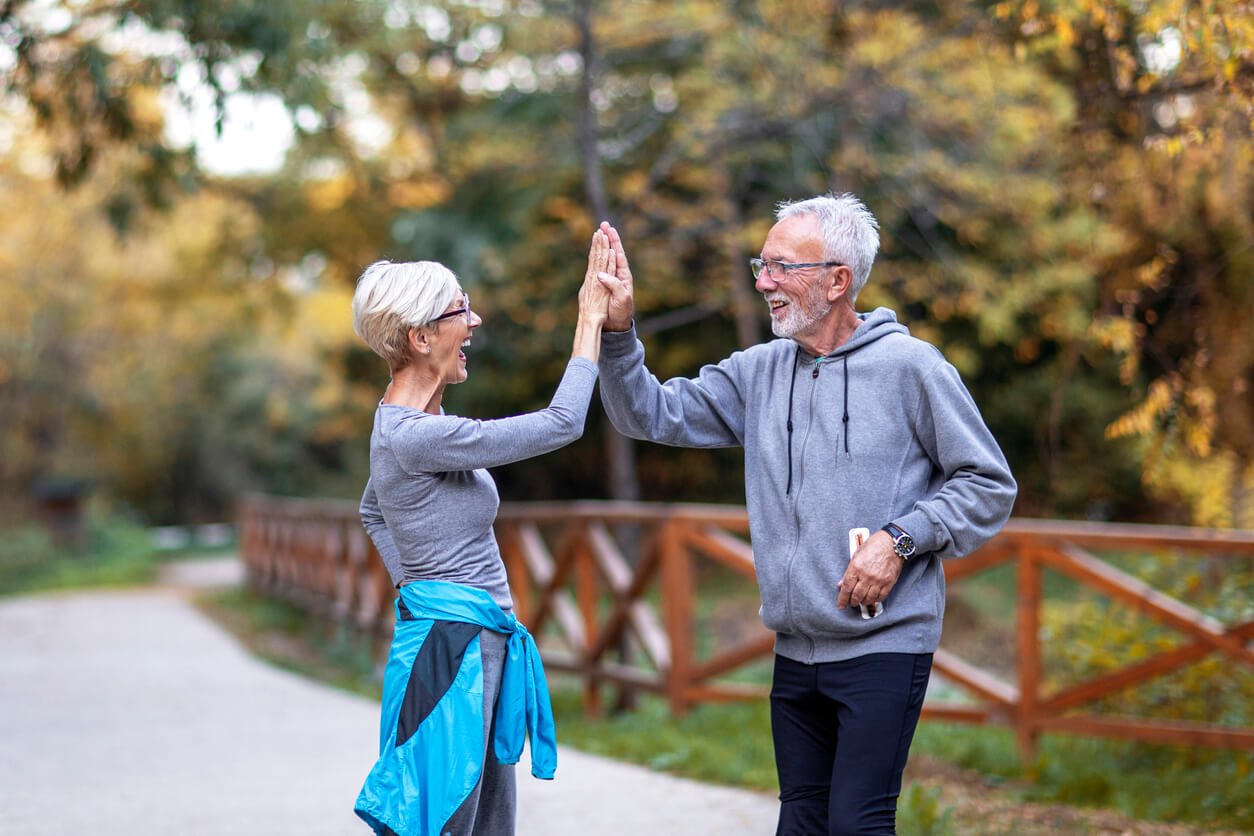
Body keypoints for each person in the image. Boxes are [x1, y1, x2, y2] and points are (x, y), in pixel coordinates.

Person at [593, 194, 1017, 835]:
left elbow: (987, 482)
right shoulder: (757, 371)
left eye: (781, 267)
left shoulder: (912, 368)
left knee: (856, 825)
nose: (763, 281)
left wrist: (899, 540)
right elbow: (646, 413)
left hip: (884, 643)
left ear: (837, 280)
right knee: (801, 826)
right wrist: (620, 335)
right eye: (761, 264)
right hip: (796, 650)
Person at [349, 231, 613, 835]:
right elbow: (564, 422)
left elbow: (372, 510)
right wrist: (589, 321)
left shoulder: (415, 424)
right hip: (452, 652)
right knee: (444, 821)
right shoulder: (414, 436)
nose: (475, 321)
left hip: (467, 638)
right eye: (460, 310)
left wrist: (416, 588)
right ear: (421, 337)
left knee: (486, 822)